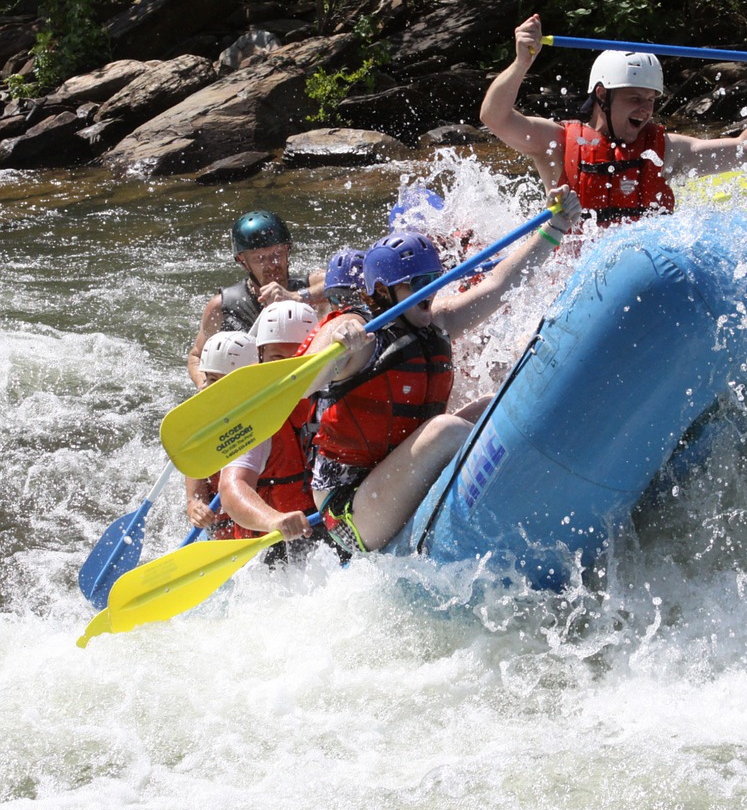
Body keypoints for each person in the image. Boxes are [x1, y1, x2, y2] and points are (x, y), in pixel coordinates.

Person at [305, 188, 582, 555]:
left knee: (494, 401)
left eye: (431, 278)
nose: (428, 290)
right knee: (445, 429)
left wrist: (556, 228)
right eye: (415, 283)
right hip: (351, 511)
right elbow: (306, 380)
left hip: (391, 476)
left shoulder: (438, 320)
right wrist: (337, 344)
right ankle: (525, 475)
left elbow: (499, 284)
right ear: (383, 292)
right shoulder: (359, 334)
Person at [479, 13, 747, 226]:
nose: (645, 110)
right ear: (603, 96)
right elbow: (495, 117)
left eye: (650, 100)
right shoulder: (558, 142)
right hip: (574, 278)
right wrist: (522, 62)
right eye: (635, 99)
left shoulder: (665, 150)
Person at [217, 300, 326, 562]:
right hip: (271, 542)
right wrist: (274, 520)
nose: (288, 371)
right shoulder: (254, 414)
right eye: (277, 358)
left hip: (326, 523)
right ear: (261, 357)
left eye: (298, 357)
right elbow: (233, 486)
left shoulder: (335, 393)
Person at [186, 210, 323, 387]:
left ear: (288, 250)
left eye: (278, 254)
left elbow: (347, 283)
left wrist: (296, 297)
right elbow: (196, 356)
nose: (272, 265)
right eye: (260, 258)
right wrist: (204, 384)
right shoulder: (223, 305)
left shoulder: (310, 286)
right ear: (243, 261)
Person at [185, 330, 257, 537]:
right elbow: (196, 476)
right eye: (206, 377)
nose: (204, 387)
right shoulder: (204, 421)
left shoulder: (277, 414)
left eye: (214, 379)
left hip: (273, 521)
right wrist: (195, 505)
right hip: (227, 528)